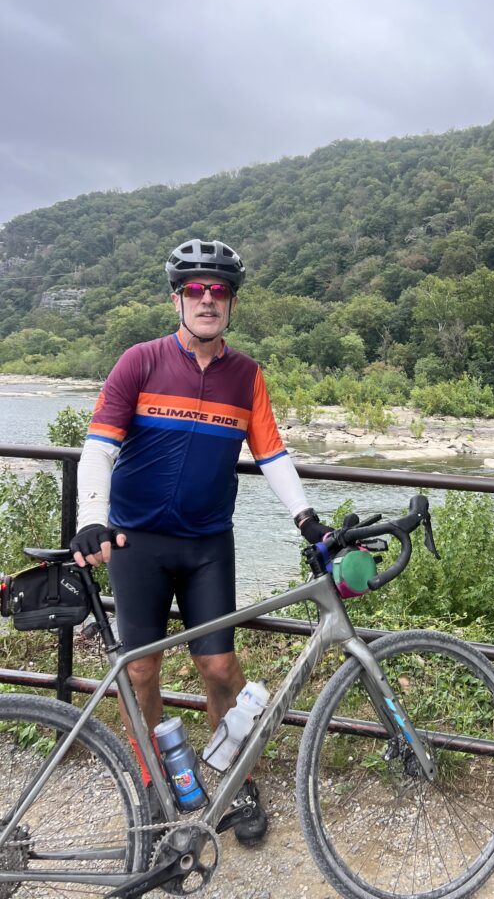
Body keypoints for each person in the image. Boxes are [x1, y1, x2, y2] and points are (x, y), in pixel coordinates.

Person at [70, 238, 331, 846]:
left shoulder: (247, 375)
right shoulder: (139, 361)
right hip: (137, 543)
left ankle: (236, 780)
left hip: (208, 543)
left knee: (219, 667)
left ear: (232, 304)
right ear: (177, 299)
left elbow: (272, 453)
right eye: (196, 290)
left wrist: (306, 518)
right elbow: (100, 446)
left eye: (219, 291)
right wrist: (92, 515)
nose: (207, 299)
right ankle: (156, 784)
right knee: (140, 674)